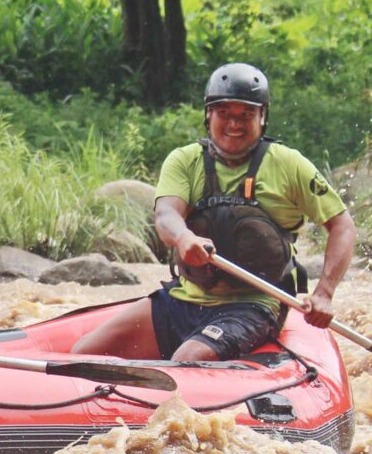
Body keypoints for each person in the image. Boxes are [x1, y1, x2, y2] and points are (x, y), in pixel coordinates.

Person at [72, 63, 356, 362]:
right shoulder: (184, 160)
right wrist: (183, 238)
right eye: (224, 113)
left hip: (253, 304)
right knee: (84, 354)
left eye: (246, 114)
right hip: (184, 297)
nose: (235, 123)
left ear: (263, 117)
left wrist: (324, 292)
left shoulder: (289, 164)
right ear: (208, 115)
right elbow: (166, 214)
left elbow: (342, 225)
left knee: (187, 360)